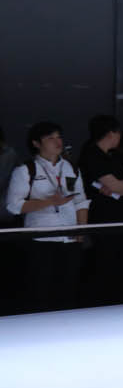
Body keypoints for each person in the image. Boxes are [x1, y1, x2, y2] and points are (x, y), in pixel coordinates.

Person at [5, 121, 90, 313]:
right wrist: (49, 202)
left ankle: (67, 326)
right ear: (36, 143)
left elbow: (81, 201)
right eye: (50, 138)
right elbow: (13, 205)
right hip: (41, 239)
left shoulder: (71, 167)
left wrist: (82, 229)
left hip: (70, 237)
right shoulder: (26, 170)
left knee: (68, 290)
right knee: (41, 291)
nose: (57, 141)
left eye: (59, 137)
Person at [79, 114, 123, 304]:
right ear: (111, 133)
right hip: (103, 217)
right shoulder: (91, 154)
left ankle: (122, 300)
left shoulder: (117, 154)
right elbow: (116, 186)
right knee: (105, 262)